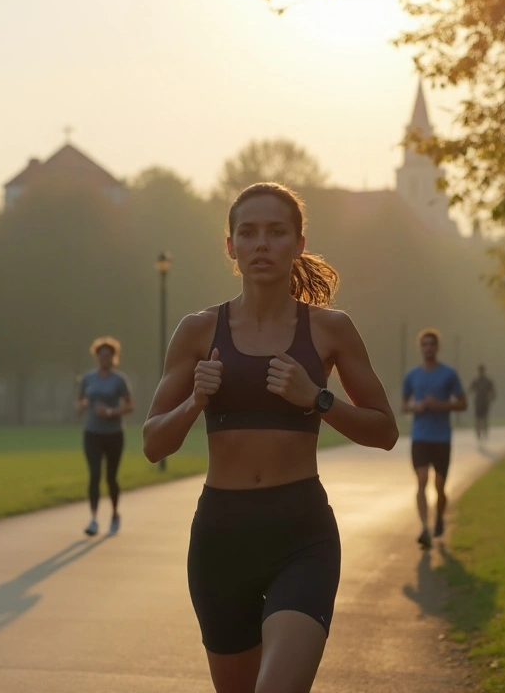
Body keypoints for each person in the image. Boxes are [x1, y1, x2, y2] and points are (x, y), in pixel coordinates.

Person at [142, 182, 398, 693]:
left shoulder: (331, 330)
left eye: (277, 232)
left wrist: (317, 399)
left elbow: (386, 430)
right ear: (231, 246)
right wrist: (195, 401)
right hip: (220, 539)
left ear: (299, 243)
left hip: (301, 535)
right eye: (249, 232)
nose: (262, 244)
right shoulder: (197, 331)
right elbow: (153, 443)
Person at [402, 329, 467, 550]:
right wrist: (417, 407)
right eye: (425, 345)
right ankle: (424, 528)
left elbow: (463, 403)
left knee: (440, 485)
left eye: (432, 345)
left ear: (437, 348)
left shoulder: (449, 374)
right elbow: (403, 406)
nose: (428, 348)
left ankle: (439, 516)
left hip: (441, 437)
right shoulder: (412, 375)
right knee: (421, 481)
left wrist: (439, 405)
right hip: (420, 436)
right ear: (420, 348)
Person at [75, 336, 134, 537]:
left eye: (108, 356)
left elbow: (129, 406)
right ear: (96, 357)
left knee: (111, 477)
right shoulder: (87, 379)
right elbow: (79, 403)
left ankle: (115, 514)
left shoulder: (119, 380)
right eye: (101, 356)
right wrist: (82, 406)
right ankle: (93, 519)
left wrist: (110, 412)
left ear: (113, 358)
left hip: (114, 434)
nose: (104, 359)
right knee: (94, 475)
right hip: (92, 433)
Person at [468, 364, 496, 441]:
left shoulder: (488, 381)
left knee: (484, 417)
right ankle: (478, 432)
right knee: (477, 418)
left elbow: (492, 390)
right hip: (478, 401)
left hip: (485, 401)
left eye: (481, 371)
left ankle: (484, 431)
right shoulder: (476, 380)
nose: (480, 373)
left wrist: (492, 397)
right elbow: (470, 389)